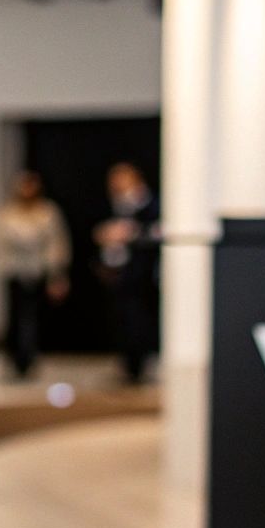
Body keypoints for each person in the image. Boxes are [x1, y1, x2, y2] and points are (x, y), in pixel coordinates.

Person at [0, 170, 70, 378]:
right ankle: (15, 359)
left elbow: (57, 243)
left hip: (38, 271)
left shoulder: (47, 212)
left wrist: (57, 273)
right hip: (15, 271)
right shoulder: (7, 214)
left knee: (34, 318)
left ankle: (32, 357)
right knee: (15, 317)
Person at [94, 162, 161, 383]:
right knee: (120, 319)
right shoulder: (114, 204)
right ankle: (127, 364)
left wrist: (131, 234)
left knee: (138, 319)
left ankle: (138, 365)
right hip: (117, 272)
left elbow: (157, 232)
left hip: (141, 275)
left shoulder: (150, 203)